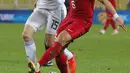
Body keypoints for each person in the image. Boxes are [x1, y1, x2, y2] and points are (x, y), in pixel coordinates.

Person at [28, 0, 127, 73]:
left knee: (60, 39)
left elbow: (106, 2)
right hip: (69, 18)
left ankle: (37, 66)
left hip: (82, 21)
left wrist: (116, 17)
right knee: (58, 49)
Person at [22, 0, 76, 73]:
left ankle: (69, 56)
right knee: (26, 35)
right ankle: (35, 70)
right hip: (41, 7)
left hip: (55, 10)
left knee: (50, 44)